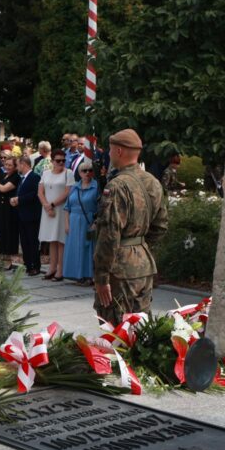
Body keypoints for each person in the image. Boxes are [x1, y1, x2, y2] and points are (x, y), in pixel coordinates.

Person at [93, 129, 169, 324]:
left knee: (115, 331)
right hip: (143, 264)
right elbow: (160, 226)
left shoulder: (117, 186)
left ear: (118, 151)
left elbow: (109, 235)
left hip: (119, 269)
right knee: (140, 327)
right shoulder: (153, 182)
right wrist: (139, 245)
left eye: (110, 150)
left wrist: (101, 278)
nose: (108, 155)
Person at [38, 151, 74, 281]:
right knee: (52, 239)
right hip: (47, 209)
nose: (61, 163)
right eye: (58, 160)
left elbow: (67, 192)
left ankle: (60, 269)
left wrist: (52, 204)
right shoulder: (46, 173)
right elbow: (40, 191)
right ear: (52, 161)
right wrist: (46, 206)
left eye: (63, 160)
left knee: (61, 240)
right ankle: (52, 267)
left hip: (61, 209)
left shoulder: (68, 173)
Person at [63, 160, 100, 285]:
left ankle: (89, 276)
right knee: (74, 248)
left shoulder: (96, 187)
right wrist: (66, 224)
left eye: (90, 170)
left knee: (88, 248)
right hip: (73, 221)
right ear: (79, 173)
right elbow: (67, 207)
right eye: (84, 171)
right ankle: (75, 275)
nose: (87, 173)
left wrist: (95, 222)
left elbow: (101, 207)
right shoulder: (74, 187)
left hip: (88, 222)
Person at [11, 155, 42, 275]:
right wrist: (15, 199)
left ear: (24, 164)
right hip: (22, 214)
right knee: (24, 241)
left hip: (32, 215)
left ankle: (35, 265)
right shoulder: (21, 178)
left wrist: (19, 199)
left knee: (32, 241)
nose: (17, 167)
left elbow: (35, 194)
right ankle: (28, 264)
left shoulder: (35, 177)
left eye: (18, 164)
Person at [0, 156, 21, 267]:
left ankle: (8, 260)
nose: (7, 167)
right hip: (0, 207)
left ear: (15, 167)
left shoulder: (16, 177)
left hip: (9, 209)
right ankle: (0, 258)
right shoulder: (4, 175)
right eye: (6, 164)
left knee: (8, 233)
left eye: (10, 165)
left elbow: (4, 188)